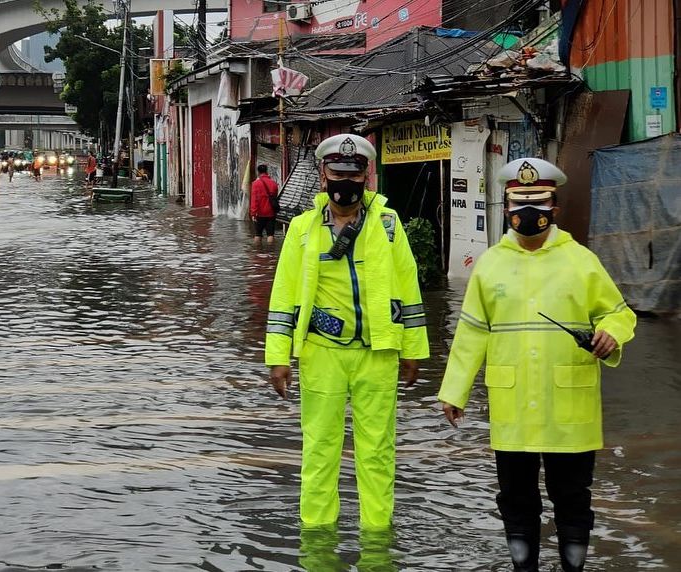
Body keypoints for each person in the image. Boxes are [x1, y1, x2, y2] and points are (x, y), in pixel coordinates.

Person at [437, 158, 637, 572]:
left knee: (572, 496)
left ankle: (573, 566)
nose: (529, 212)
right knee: (515, 496)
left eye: (539, 203)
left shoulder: (581, 261)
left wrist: (611, 333)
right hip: (513, 408)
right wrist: (454, 390)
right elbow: (472, 331)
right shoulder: (490, 264)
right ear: (506, 208)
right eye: (519, 202)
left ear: (555, 208)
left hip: (571, 408)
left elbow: (620, 313)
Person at [265, 133, 429, 532]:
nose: (345, 182)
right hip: (322, 352)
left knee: (377, 452)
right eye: (337, 173)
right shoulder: (303, 230)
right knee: (320, 450)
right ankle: (317, 538)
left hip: (379, 353)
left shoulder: (389, 226)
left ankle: (377, 539)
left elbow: (409, 288)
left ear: (367, 176)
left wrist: (412, 350)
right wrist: (278, 358)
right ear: (323, 175)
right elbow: (283, 295)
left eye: (353, 175)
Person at [249, 164, 280, 245]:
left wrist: (253, 213)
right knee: (270, 235)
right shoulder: (273, 183)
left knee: (258, 234)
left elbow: (254, 200)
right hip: (271, 213)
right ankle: (270, 252)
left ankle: (258, 252)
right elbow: (275, 197)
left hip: (259, 213)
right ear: (266, 171)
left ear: (258, 172)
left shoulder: (255, 184)